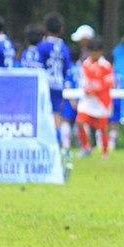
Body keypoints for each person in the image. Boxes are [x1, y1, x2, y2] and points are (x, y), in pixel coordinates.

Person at [75, 36, 115, 159]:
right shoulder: (85, 65)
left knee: (102, 128)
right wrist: (86, 89)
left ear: (101, 52)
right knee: (80, 121)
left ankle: (104, 152)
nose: (94, 54)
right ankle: (86, 147)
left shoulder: (106, 65)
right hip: (88, 100)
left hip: (101, 100)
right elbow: (83, 80)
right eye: (91, 51)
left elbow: (109, 83)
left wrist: (95, 90)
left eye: (96, 51)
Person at [37, 12, 73, 150]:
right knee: (56, 115)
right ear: (61, 30)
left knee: (42, 113)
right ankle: (56, 145)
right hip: (58, 84)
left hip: (45, 84)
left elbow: (39, 66)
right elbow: (66, 69)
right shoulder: (64, 48)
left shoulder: (42, 46)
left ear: (45, 28)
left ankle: (43, 144)